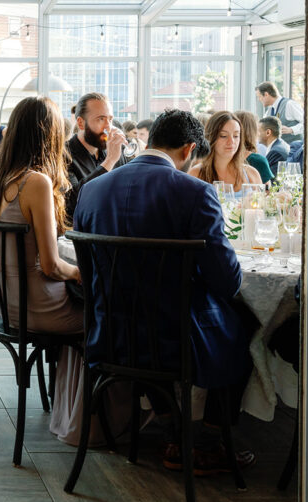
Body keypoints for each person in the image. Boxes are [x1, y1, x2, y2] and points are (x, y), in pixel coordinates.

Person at [75, 109, 253, 474]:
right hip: (175, 341)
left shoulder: (92, 190)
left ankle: (173, 428)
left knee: (151, 318)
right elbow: (228, 281)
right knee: (248, 327)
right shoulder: (195, 192)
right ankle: (206, 441)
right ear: (189, 149)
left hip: (111, 334)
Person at [0, 96, 96, 446]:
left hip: (8, 308)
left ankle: (70, 409)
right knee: (106, 315)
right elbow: (52, 265)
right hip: (42, 310)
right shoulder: (36, 183)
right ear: (50, 136)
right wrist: (79, 274)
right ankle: (87, 419)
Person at [64, 92, 129, 221]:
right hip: (80, 232)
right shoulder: (64, 154)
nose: (108, 127)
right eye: (101, 119)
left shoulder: (117, 150)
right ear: (81, 123)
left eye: (110, 119)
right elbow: (70, 204)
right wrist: (109, 162)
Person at [188, 111, 262, 192]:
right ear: (211, 138)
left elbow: (262, 203)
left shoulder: (252, 174)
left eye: (236, 136)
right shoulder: (196, 174)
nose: (231, 141)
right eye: (224, 136)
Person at [234, 111, 274, 184]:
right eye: (257, 129)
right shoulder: (257, 160)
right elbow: (267, 192)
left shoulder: (222, 159)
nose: (258, 133)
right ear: (252, 132)